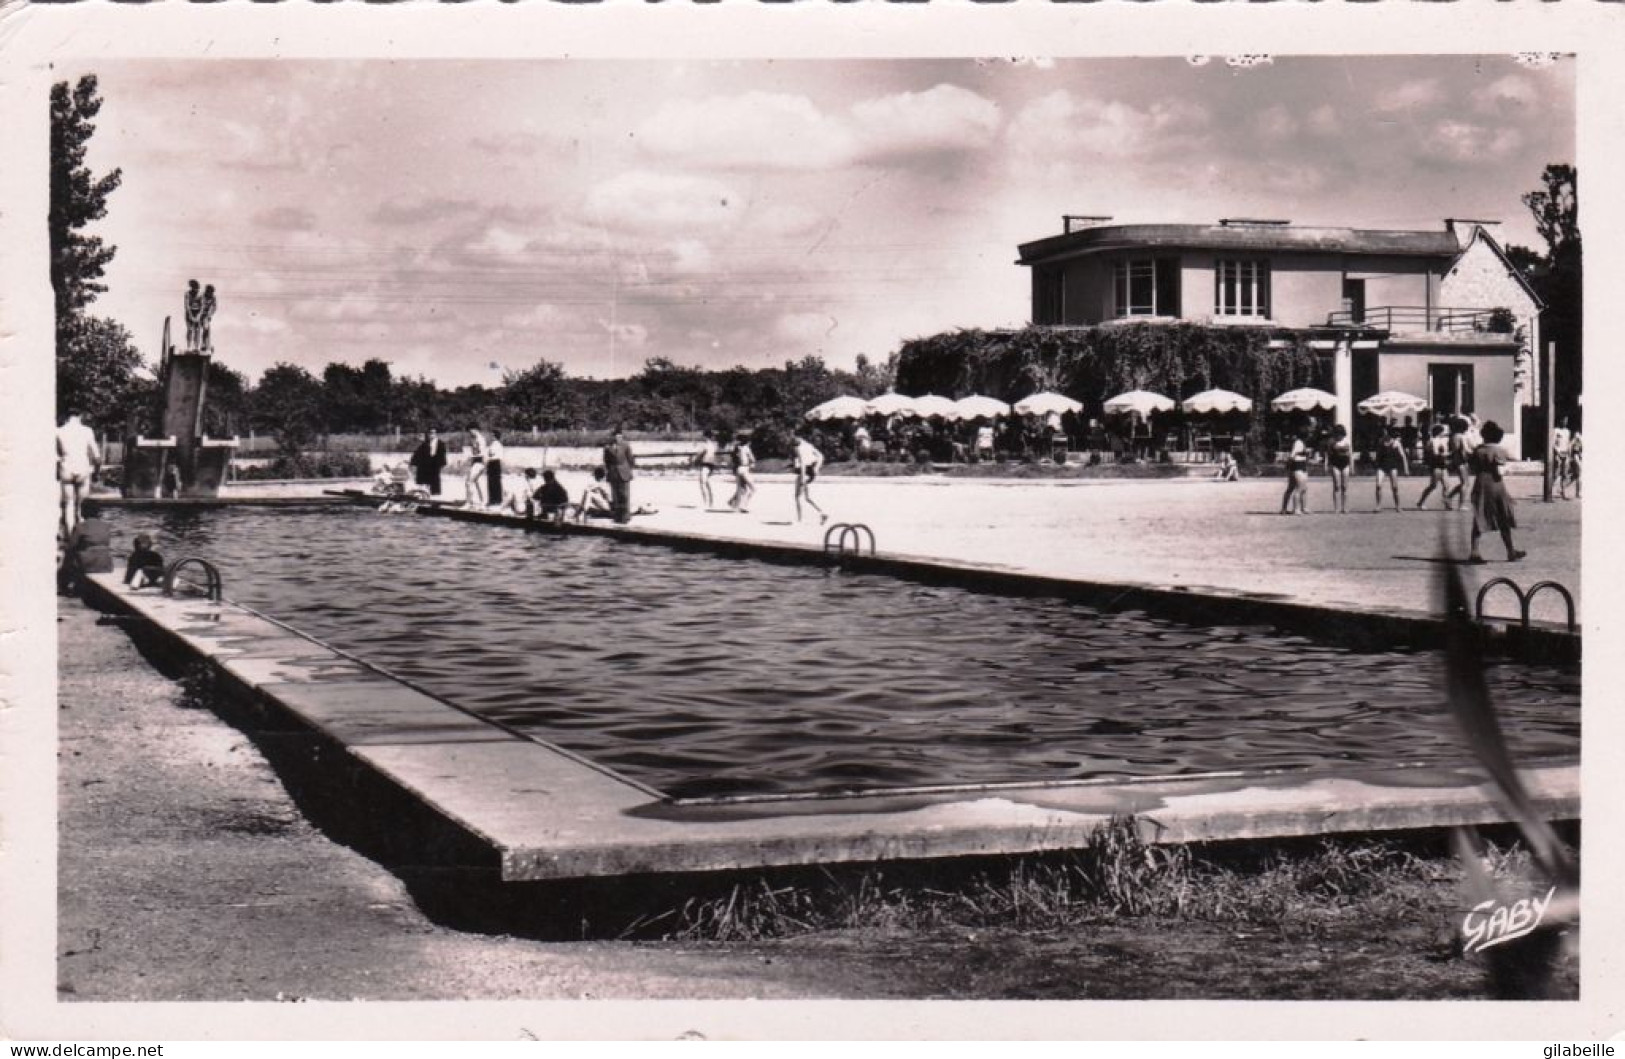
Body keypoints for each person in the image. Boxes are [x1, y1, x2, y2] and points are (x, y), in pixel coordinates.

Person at [1467, 421, 1525, 564]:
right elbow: (1499, 471)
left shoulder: (1478, 450)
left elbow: (1472, 468)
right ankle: (1510, 551)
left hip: (1480, 483)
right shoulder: (1498, 450)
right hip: (1495, 484)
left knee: (1479, 517)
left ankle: (1474, 551)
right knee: (1503, 517)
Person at [57, 413, 102, 538]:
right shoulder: (87, 431)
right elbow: (97, 457)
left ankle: (71, 535)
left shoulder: (59, 431)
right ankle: (83, 536)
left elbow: (56, 454)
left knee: (69, 504)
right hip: (83, 467)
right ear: (80, 416)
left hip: (66, 468)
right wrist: (97, 473)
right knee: (82, 506)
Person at [791, 431, 829, 525]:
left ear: (798, 437)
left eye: (794, 437)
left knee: (798, 497)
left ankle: (800, 520)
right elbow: (820, 456)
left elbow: (803, 463)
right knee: (807, 497)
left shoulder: (799, 448)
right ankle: (823, 512)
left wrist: (803, 477)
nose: (793, 439)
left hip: (804, 472)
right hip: (811, 471)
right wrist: (816, 468)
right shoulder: (808, 445)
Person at [602, 427, 637, 524]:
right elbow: (606, 462)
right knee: (615, 496)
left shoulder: (626, 445)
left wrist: (627, 470)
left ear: (621, 437)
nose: (617, 438)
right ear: (612, 437)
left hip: (624, 472)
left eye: (619, 436)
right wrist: (610, 471)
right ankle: (617, 516)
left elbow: (630, 459)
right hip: (613, 473)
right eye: (615, 436)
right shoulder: (607, 447)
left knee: (625, 495)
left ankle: (626, 516)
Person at [1415, 423, 1452, 510]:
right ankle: (1420, 502)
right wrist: (1447, 454)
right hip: (1436, 465)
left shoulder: (1443, 440)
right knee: (1433, 485)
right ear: (1439, 432)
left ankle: (1447, 503)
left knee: (1446, 485)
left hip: (1443, 465)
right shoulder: (1432, 441)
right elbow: (1435, 453)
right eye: (1443, 431)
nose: (1444, 433)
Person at [1374, 426, 1409, 512]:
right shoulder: (1381, 441)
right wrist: (1376, 464)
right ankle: (1378, 506)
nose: (1385, 434)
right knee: (1378, 485)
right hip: (1381, 466)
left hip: (1392, 466)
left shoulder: (1396, 443)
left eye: (1386, 432)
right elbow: (1378, 455)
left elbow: (1403, 456)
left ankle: (1398, 506)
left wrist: (1406, 469)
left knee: (1395, 487)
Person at [1279, 428, 1310, 515]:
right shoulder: (1298, 443)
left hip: (1301, 466)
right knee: (1299, 488)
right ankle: (1296, 509)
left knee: (1300, 488)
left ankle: (1300, 508)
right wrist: (1289, 466)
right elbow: (1292, 455)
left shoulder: (1302, 443)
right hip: (1297, 466)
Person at [409, 428, 448, 497]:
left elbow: (442, 454)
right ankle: (424, 491)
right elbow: (418, 453)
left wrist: (441, 463)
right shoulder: (425, 443)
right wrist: (413, 462)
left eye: (433, 433)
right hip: (426, 463)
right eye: (430, 433)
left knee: (435, 479)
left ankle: (435, 493)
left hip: (435, 463)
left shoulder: (440, 443)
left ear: (436, 434)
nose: (431, 435)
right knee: (423, 476)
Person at [1444, 416, 1472, 510]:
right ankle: (1461, 504)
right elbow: (1464, 450)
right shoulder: (1461, 437)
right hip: (1461, 460)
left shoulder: (1452, 437)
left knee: (1463, 482)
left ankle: (1449, 497)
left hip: (1454, 459)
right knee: (1465, 483)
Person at [1324, 424, 1351, 513]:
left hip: (1345, 464)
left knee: (1345, 486)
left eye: (1341, 434)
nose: (1339, 436)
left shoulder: (1347, 441)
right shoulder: (1331, 442)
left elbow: (1350, 454)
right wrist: (1326, 465)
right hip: (1335, 465)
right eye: (1337, 434)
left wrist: (1352, 466)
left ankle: (1345, 507)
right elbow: (1327, 454)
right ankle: (1336, 508)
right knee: (1336, 486)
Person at [728, 433, 756, 513]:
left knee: (741, 489)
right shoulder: (746, 448)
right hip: (744, 468)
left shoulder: (736, 448)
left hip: (738, 469)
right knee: (752, 488)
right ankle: (744, 506)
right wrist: (752, 464)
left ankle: (733, 502)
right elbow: (752, 459)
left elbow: (734, 459)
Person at [462, 426, 488, 508]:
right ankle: (483, 502)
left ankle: (469, 503)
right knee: (477, 482)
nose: (470, 434)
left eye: (470, 432)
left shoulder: (481, 440)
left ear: (475, 429)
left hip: (480, 462)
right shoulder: (473, 439)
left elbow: (482, 454)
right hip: (475, 462)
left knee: (468, 482)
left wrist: (470, 456)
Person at [693, 430, 720, 509]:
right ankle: (711, 502)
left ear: (705, 436)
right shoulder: (713, 445)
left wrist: (695, 461)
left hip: (705, 464)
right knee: (707, 484)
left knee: (702, 483)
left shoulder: (705, 445)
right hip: (711, 465)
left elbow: (700, 454)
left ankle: (705, 503)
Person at [1551, 417, 1573, 500]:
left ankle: (1563, 492)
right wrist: (1557, 453)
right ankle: (1550, 492)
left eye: (1566, 421)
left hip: (1565, 454)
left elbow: (1568, 443)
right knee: (1556, 474)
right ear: (1560, 421)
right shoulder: (1556, 430)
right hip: (1558, 454)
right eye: (1563, 420)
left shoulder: (1567, 431)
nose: (1565, 422)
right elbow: (1553, 443)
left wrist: (1569, 454)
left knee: (1564, 474)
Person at [485, 434, 505, 509]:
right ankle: (493, 499)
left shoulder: (497, 444)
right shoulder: (493, 444)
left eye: (492, 435)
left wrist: (489, 457)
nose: (491, 437)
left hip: (495, 463)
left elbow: (495, 454)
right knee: (492, 482)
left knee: (495, 482)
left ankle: (496, 500)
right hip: (492, 463)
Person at [184, 280, 204, 352]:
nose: (196, 290)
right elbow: (187, 306)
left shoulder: (200, 295)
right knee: (190, 329)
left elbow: (202, 306)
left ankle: (197, 346)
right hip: (189, 313)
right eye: (194, 288)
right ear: (191, 288)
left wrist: (198, 316)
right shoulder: (187, 294)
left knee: (198, 330)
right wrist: (191, 316)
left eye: (197, 288)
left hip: (198, 312)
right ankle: (189, 346)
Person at [199, 284, 218, 352]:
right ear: (207, 291)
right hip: (199, 314)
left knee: (206, 330)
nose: (210, 293)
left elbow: (214, 307)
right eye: (209, 292)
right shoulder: (201, 296)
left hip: (206, 316)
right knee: (200, 330)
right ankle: (201, 344)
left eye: (211, 292)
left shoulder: (213, 297)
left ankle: (205, 345)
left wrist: (209, 315)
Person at [1567, 430, 1582, 499]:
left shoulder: (1576, 440)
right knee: (1579, 476)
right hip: (1576, 459)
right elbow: (1575, 452)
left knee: (1574, 476)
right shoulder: (1577, 440)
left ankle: (1562, 488)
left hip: (1576, 458)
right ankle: (1578, 493)